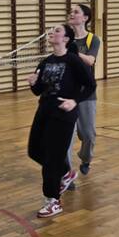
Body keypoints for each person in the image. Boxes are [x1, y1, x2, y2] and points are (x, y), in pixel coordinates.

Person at [27, 23, 96, 218]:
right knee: (34, 150)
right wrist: (33, 83)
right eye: (52, 30)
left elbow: (90, 85)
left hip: (63, 114)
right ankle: (65, 172)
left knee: (52, 158)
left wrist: (75, 101)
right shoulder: (46, 62)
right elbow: (39, 90)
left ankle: (53, 201)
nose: (52, 32)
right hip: (44, 110)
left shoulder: (73, 61)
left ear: (66, 39)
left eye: (57, 30)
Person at [67, 3, 101, 175]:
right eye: (70, 11)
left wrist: (74, 52)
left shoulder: (92, 39)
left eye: (76, 12)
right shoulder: (65, 37)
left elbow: (90, 61)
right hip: (68, 93)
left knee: (88, 134)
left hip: (86, 93)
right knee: (67, 136)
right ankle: (66, 172)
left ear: (85, 18)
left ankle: (86, 158)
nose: (71, 14)